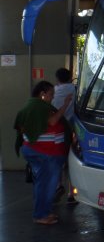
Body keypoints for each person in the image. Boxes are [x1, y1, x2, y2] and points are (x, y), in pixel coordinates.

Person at [14, 81, 72, 225]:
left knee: (42, 183)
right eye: (51, 94)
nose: (52, 98)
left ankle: (43, 211)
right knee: (46, 185)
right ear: (42, 94)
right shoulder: (39, 107)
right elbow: (52, 122)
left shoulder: (32, 106)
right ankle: (41, 215)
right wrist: (65, 105)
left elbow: (22, 128)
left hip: (37, 150)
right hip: (46, 153)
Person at [52, 68, 77, 204]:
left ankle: (57, 186)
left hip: (57, 131)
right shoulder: (74, 89)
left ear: (57, 78)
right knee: (72, 160)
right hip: (72, 130)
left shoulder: (54, 91)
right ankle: (71, 194)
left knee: (57, 160)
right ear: (69, 77)